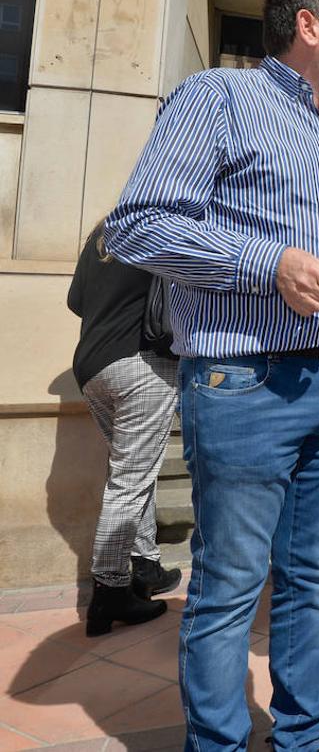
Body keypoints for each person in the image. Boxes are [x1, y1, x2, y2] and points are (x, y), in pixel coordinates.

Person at [104, 0, 319, 752]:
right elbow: (138, 227)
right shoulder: (217, 99)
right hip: (247, 382)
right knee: (228, 587)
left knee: (311, 577)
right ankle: (219, 744)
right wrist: (269, 265)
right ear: (308, 26)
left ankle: (303, 736)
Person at [68, 222, 182, 637]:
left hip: (92, 366)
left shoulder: (101, 235)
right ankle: (110, 589)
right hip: (141, 363)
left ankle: (146, 565)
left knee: (134, 471)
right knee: (130, 480)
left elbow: (75, 301)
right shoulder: (160, 227)